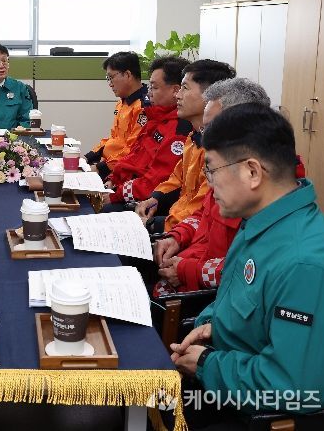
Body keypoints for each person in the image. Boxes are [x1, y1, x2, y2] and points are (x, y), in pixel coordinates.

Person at [171, 103, 324, 426]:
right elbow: (240, 301)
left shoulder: (304, 263)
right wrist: (213, 327)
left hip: (251, 412)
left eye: (212, 170)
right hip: (230, 377)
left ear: (252, 172)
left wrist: (207, 364)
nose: (209, 184)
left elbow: (297, 389)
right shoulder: (262, 223)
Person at [153, 78, 270, 295]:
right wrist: (176, 236)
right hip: (187, 267)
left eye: (211, 129)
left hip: (210, 294)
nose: (204, 138)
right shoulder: (228, 170)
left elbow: (249, 269)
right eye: (204, 129)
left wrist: (188, 270)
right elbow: (202, 214)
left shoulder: (261, 189)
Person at [135, 59, 236, 233]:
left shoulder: (219, 151)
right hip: (177, 223)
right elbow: (177, 178)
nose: (178, 95)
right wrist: (156, 198)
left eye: (185, 88)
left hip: (187, 230)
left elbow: (201, 207)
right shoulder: (193, 137)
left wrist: (156, 224)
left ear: (210, 96)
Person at [102, 56, 192, 211]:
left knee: (105, 210)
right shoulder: (155, 118)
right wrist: (113, 179)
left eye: (154, 88)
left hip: (148, 202)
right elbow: (132, 156)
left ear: (175, 91)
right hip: (129, 187)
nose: (149, 93)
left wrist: (116, 194)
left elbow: (156, 180)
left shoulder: (179, 129)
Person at [85, 51, 149, 178]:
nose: (110, 84)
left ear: (127, 75)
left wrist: (100, 168)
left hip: (122, 172)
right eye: (108, 78)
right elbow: (113, 139)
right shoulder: (122, 103)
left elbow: (134, 150)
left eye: (111, 77)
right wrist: (87, 158)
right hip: (108, 164)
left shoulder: (143, 107)